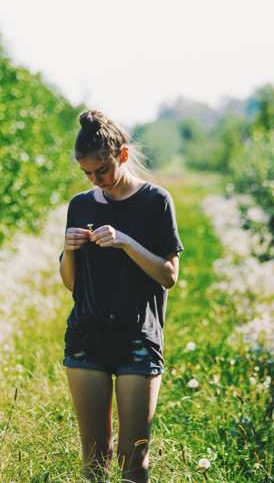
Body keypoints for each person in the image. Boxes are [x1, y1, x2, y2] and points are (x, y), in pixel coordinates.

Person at [58, 109, 184, 482]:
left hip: (138, 339)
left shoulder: (156, 201)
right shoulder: (80, 205)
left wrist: (126, 242)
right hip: (87, 337)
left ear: (122, 156)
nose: (97, 180)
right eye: (88, 174)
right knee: (95, 460)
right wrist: (69, 252)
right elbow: (71, 283)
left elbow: (169, 275)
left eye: (102, 171)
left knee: (134, 460)